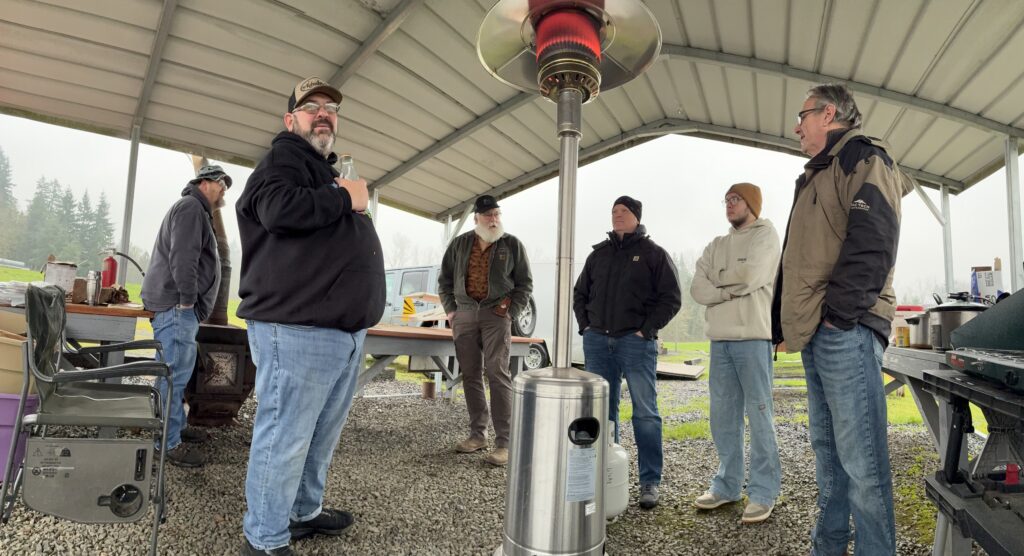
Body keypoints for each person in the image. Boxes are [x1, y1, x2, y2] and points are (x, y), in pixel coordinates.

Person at [235, 76, 385, 555]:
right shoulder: (284, 158)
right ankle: (264, 539)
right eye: (311, 107)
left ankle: (302, 511)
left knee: (318, 436)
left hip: (339, 331)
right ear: (290, 120)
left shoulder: (319, 171)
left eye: (331, 109)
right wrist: (347, 199)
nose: (323, 114)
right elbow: (277, 209)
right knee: (284, 439)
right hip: (296, 330)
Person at [772, 83, 913, 555]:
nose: (796, 126)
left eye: (802, 115)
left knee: (863, 464)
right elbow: (800, 256)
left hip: (844, 330)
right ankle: (827, 547)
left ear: (828, 113)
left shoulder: (863, 157)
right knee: (829, 458)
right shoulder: (818, 172)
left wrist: (838, 316)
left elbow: (874, 238)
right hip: (820, 330)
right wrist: (788, 323)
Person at [573, 196, 681, 509]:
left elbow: (671, 299)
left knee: (645, 412)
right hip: (598, 343)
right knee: (602, 414)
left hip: (635, 343)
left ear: (636, 217)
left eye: (623, 211)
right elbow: (580, 294)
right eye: (614, 211)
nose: (617, 215)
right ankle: (607, 476)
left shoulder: (653, 254)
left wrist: (645, 330)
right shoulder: (599, 255)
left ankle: (649, 481)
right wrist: (586, 327)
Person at [690, 183, 782, 523]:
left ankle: (763, 492)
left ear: (752, 204)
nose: (729, 205)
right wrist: (727, 291)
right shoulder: (717, 244)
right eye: (726, 200)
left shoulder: (766, 236)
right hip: (720, 342)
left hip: (753, 340)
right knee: (723, 418)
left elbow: (749, 276)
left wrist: (720, 284)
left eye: (735, 199)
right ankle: (727, 486)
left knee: (760, 417)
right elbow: (698, 287)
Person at [141, 164, 230, 468]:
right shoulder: (192, 208)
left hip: (178, 308)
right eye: (221, 185)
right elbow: (184, 257)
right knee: (173, 375)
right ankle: (166, 444)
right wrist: (187, 301)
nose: (224, 192)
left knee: (175, 374)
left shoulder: (194, 210)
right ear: (205, 182)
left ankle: (174, 428)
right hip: (178, 307)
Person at [438, 194, 533, 467]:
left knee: (497, 373)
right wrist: (451, 310)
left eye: (497, 214)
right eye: (489, 215)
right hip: (465, 315)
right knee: (470, 375)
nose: (494, 219)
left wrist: (511, 312)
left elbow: (524, 284)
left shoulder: (511, 244)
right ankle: (477, 435)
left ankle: (504, 443)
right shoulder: (459, 244)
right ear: (476, 218)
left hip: (496, 316)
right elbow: (444, 279)